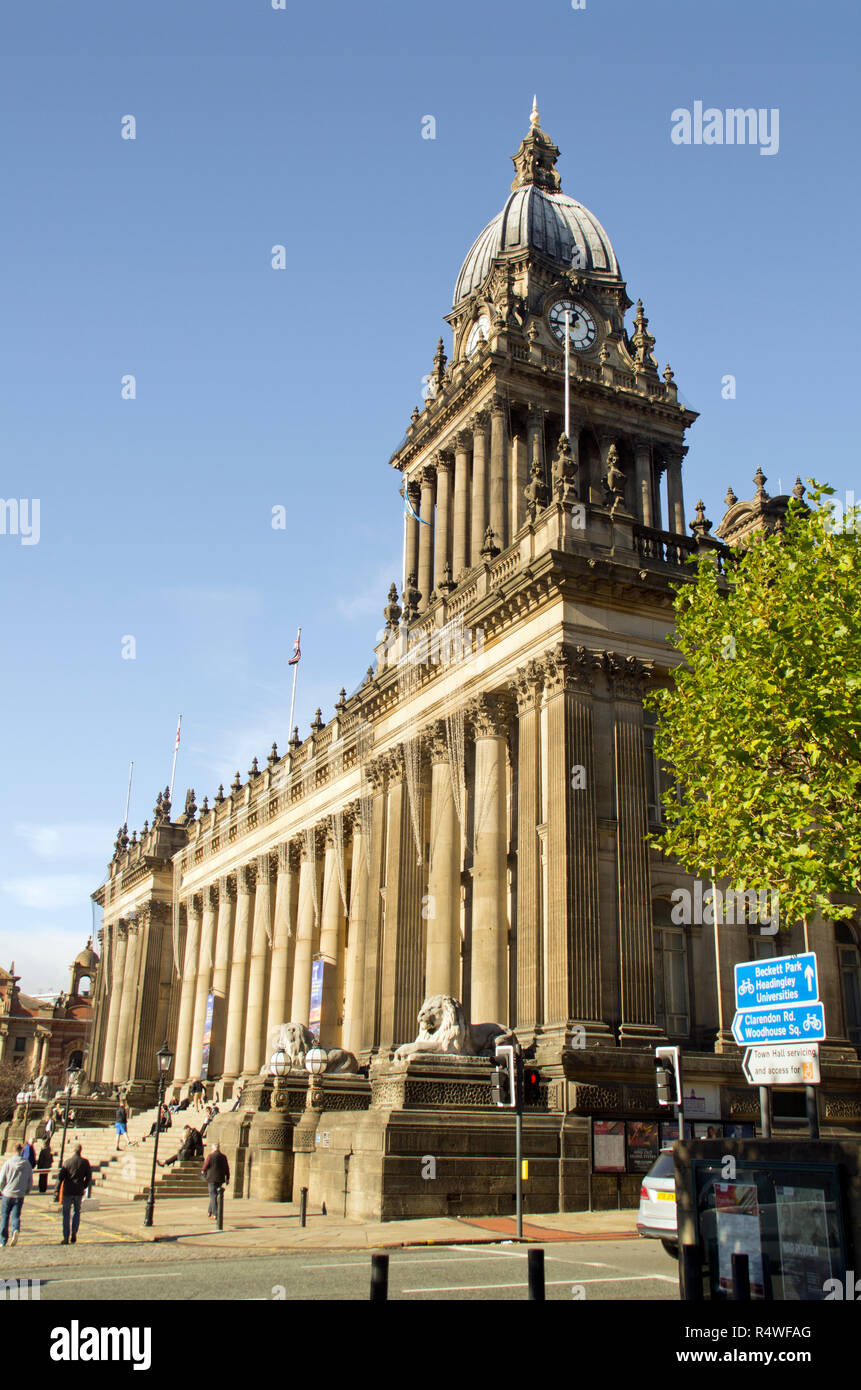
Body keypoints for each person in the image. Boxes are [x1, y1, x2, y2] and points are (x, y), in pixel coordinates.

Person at [56, 1142, 92, 1245]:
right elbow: (88, 1177)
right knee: (77, 1212)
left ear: (73, 1150)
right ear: (81, 1151)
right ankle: (74, 1231)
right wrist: (84, 1186)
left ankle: (66, 1236)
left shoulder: (67, 1162)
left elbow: (60, 1177)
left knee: (66, 1214)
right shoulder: (85, 1162)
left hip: (68, 1191)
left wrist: (57, 1190)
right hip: (78, 1190)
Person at [0, 1143, 34, 1247]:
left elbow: (2, 1179)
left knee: (5, 1216)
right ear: (22, 1151)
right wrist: (27, 1190)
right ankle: (15, 1229)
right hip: (19, 1194)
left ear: (13, 1151)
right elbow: (30, 1180)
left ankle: (3, 1240)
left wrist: (1, 1189)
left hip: (8, 1193)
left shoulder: (8, 1163)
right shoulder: (27, 1164)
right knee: (16, 1216)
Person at [201, 1143, 229, 1220]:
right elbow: (227, 1168)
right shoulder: (223, 1157)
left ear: (213, 1149)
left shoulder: (210, 1156)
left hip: (211, 1179)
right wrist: (228, 1178)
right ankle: (209, 1211)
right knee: (214, 1195)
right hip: (220, 1179)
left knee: (213, 1196)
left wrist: (203, 1172)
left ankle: (215, 1213)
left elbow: (205, 1167)